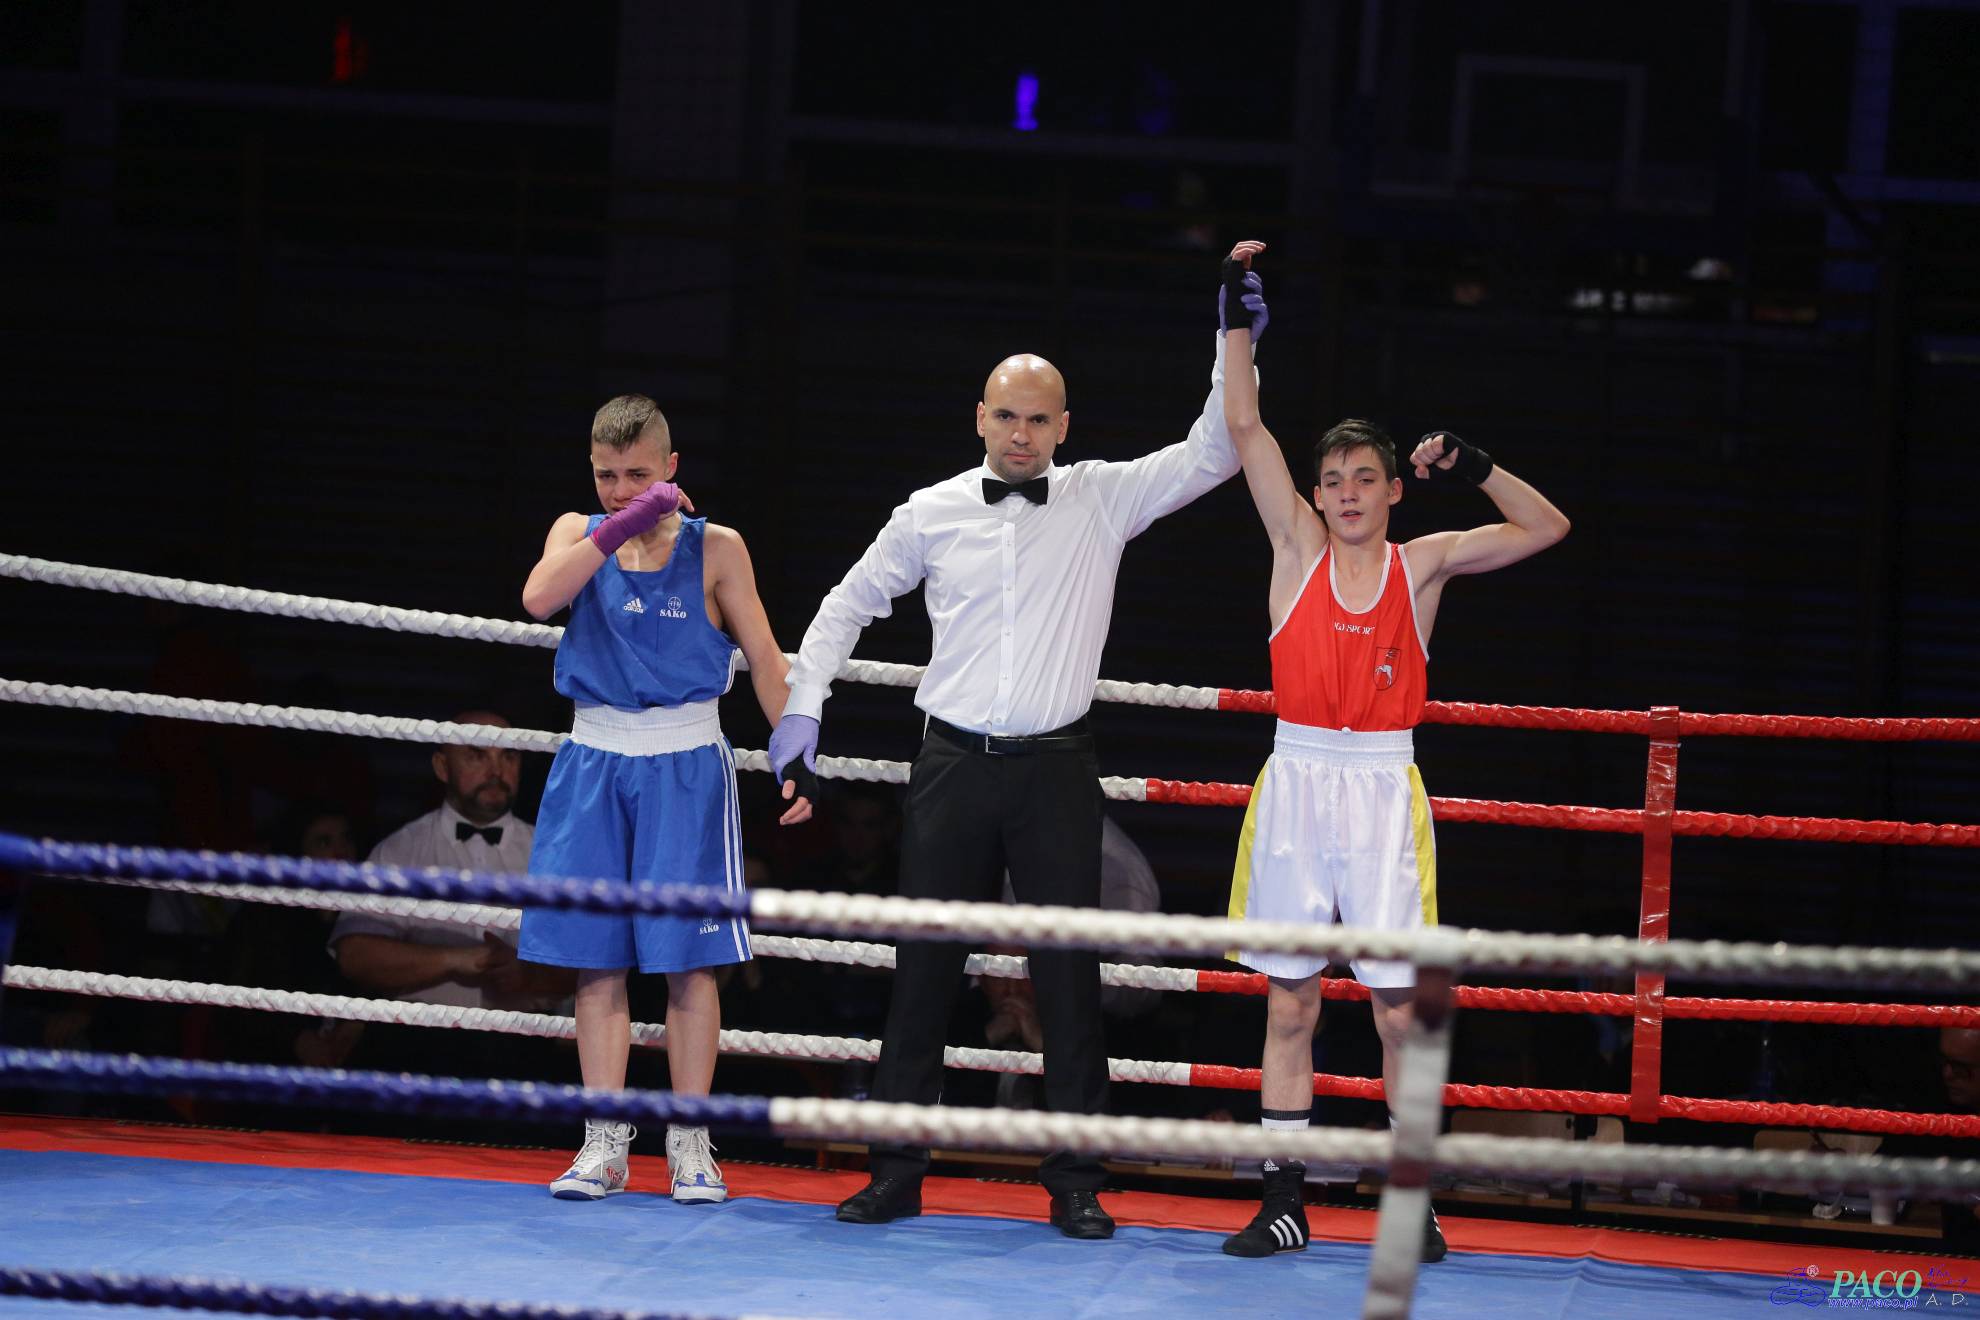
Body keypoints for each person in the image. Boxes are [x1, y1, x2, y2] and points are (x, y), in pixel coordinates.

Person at [767, 324, 1245, 1240]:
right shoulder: (931, 511)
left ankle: (1076, 1183)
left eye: (1037, 420)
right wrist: (805, 705)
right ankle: (896, 1172)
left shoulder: (1103, 496)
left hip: (1057, 767)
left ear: (1063, 425)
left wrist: (1233, 342)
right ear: (979, 418)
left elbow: (1214, 451)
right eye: (1005, 417)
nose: (1020, 435)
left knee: (1068, 977)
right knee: (924, 971)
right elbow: (845, 606)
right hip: (951, 763)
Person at [1215, 239, 1570, 1262]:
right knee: (1291, 1003)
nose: (1346, 493)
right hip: (1296, 779)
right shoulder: (1295, 548)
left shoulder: (1424, 567)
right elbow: (1244, 425)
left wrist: (1477, 465)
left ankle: (1412, 1202)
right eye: (1332, 480)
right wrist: (1235, 322)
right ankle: (1283, 1201)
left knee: (1400, 1016)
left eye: (1364, 478)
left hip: (1381, 787)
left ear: (1393, 491)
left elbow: (1548, 527)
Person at [518, 394, 812, 1207]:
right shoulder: (576, 533)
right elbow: (538, 598)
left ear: (672, 468)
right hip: (593, 756)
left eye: (637, 476)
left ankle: (690, 1144)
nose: (620, 490)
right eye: (606, 475)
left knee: (689, 963)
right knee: (596, 960)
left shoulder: (717, 548)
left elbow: (765, 658)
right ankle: (603, 1143)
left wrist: (793, 751)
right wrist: (618, 525)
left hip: (684, 764)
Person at [328, 713, 563, 1015]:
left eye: (508, 756)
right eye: (476, 755)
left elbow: (593, 962)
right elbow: (354, 955)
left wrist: (533, 976)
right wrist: (453, 959)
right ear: (442, 766)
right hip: (424, 1036)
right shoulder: (399, 851)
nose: (496, 771)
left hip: (524, 1035)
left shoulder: (552, 854)